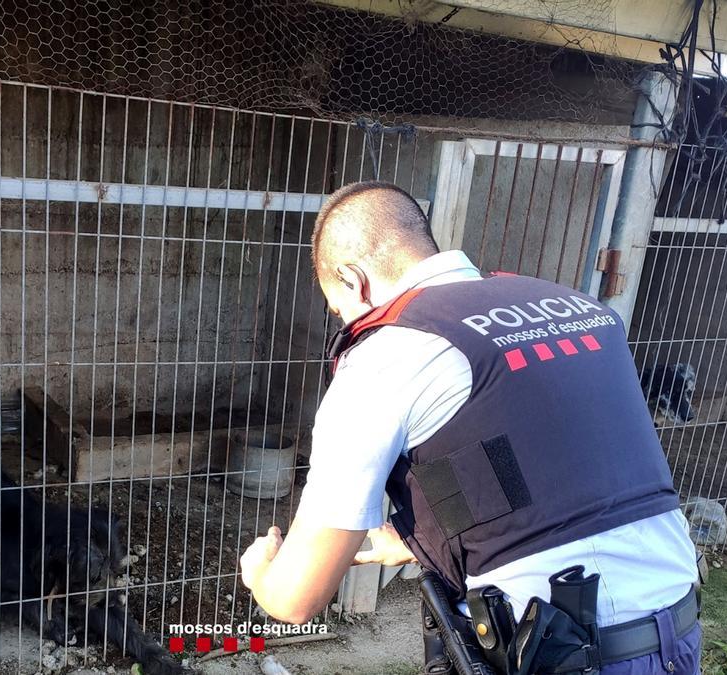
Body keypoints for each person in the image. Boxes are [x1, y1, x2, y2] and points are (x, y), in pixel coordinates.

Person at [238, 181, 701, 674]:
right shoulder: (583, 310)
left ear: (354, 281)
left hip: (560, 653)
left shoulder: (386, 355)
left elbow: (296, 600)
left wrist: (262, 575)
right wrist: (411, 536)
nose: (346, 321)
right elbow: (533, 461)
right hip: (677, 632)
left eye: (338, 310)